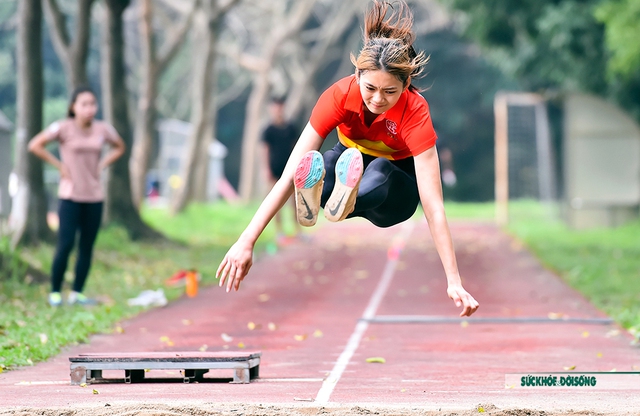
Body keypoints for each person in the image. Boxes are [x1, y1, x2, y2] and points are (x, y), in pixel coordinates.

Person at [217, 0, 479, 317]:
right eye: (370, 88)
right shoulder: (339, 96)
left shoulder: (415, 112)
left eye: (390, 92)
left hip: (393, 193)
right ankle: (321, 197)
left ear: (406, 85)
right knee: (320, 163)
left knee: (380, 167)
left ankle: (343, 199)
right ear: (357, 75)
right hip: (348, 162)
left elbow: (433, 203)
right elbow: (289, 174)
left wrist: (454, 280)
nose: (377, 99)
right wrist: (246, 241)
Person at [28, 86, 125, 307]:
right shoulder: (63, 128)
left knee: (87, 246)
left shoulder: (103, 129)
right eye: (84, 104)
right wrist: (59, 165)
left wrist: (103, 164)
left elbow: (120, 147)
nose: (90, 109)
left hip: (94, 196)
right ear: (74, 107)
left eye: (93, 104)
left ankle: (77, 293)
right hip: (70, 196)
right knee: (66, 244)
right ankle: (55, 292)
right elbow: (35, 145)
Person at [261, 96, 302, 244]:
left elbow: (296, 147)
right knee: (275, 202)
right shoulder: (268, 130)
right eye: (275, 107)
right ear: (271, 109)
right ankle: (280, 232)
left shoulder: (291, 128)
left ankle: (298, 231)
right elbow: (265, 151)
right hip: (274, 169)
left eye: (280, 106)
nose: (278, 110)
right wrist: (266, 169)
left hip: (290, 169)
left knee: (295, 202)